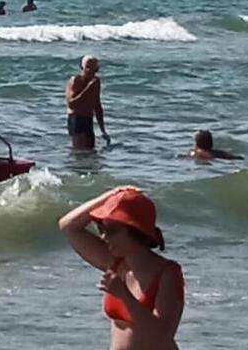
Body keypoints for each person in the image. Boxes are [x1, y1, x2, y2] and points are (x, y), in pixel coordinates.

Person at [59, 186, 185, 350]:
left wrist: (124, 295)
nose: (104, 237)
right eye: (101, 229)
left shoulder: (167, 273)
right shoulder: (115, 262)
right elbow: (68, 226)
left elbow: (162, 336)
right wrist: (110, 195)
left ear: (135, 231)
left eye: (111, 231)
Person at [66, 55, 110, 150]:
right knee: (80, 151)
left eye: (94, 68)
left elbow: (97, 105)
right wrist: (88, 88)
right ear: (82, 68)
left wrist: (103, 130)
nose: (90, 71)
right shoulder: (76, 80)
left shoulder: (96, 81)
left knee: (90, 151)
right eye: (88, 67)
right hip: (77, 119)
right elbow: (71, 104)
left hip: (88, 119)